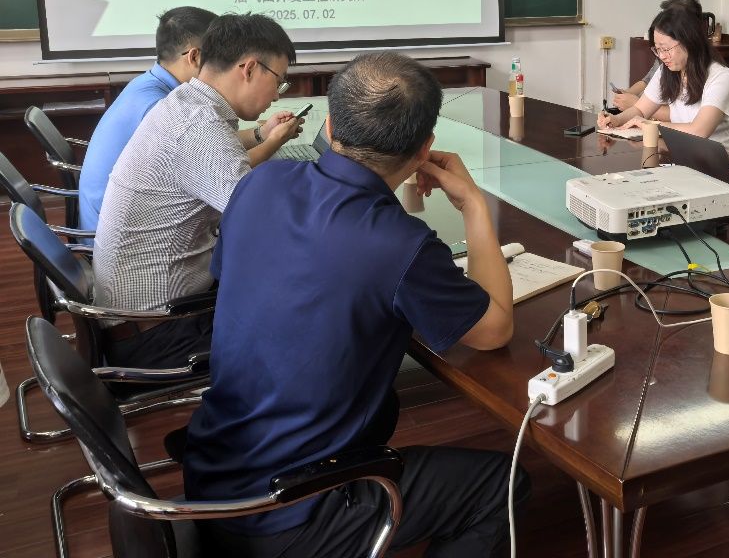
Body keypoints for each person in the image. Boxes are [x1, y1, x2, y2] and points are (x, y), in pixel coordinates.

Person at [183, 51, 527, 558]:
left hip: (214, 472)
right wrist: (473, 205)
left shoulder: (259, 183)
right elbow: (494, 330)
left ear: (329, 127)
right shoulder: (400, 244)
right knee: (501, 486)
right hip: (288, 510)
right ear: (424, 149)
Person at [93, 13, 300, 368]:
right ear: (249, 68)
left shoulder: (186, 104)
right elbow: (267, 226)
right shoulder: (199, 128)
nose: (277, 94)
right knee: (305, 328)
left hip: (145, 313)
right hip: (159, 332)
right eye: (279, 81)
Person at [78, 7, 218, 233]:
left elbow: (206, 147)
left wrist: (260, 134)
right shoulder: (157, 106)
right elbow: (211, 167)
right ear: (194, 57)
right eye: (221, 58)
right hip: (116, 235)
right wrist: (269, 141)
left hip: (113, 220)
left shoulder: (148, 84)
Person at [598, 5, 729, 150]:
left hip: (722, 159)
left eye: (666, 49)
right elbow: (640, 110)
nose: (662, 56)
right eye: (657, 49)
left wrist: (651, 125)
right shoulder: (666, 71)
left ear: (689, 42)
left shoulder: (721, 77)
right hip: (683, 153)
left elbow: (699, 131)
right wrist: (616, 119)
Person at [611, 0, 710, 117]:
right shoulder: (666, 58)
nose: (662, 55)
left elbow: (687, 117)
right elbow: (647, 81)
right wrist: (627, 95)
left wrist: (636, 104)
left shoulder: (711, 71)